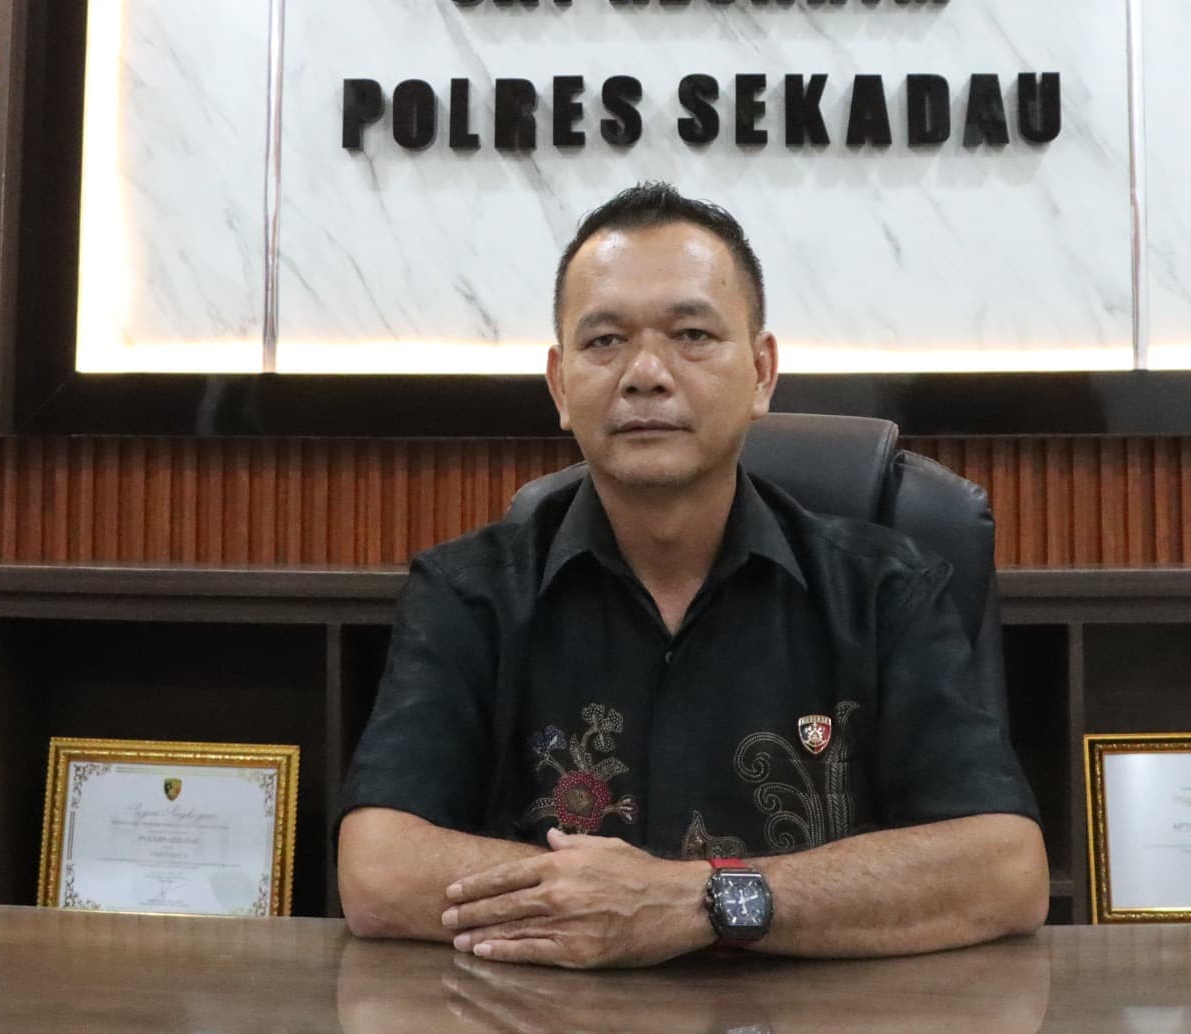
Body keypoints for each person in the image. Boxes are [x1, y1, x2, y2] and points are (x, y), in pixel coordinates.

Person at [336, 183, 1048, 968]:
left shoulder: (885, 592)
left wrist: (700, 901)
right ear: (560, 386)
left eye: (692, 335)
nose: (646, 373)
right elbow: (379, 869)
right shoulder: (468, 596)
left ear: (763, 372)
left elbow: (1004, 870)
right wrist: (595, 906)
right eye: (605, 341)